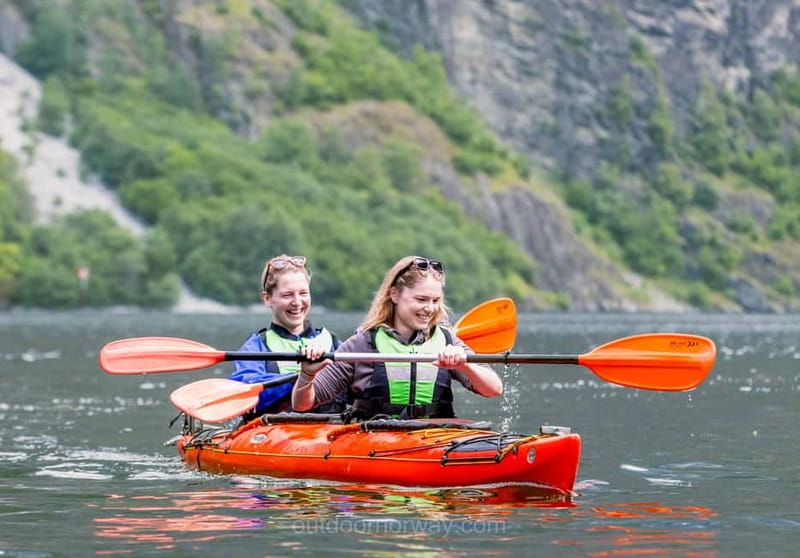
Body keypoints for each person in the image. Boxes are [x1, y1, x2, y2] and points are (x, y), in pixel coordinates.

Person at [292, 255, 503, 420]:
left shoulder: (447, 341)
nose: (429, 308)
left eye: (435, 300)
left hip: (434, 436)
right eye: (421, 299)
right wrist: (307, 375)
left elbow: (494, 389)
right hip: (375, 440)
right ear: (394, 295)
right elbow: (302, 405)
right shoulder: (363, 343)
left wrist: (464, 365)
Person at [230, 254, 346, 420]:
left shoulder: (333, 343)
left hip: (330, 434)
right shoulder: (256, 346)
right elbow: (245, 390)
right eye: (287, 295)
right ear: (268, 299)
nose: (297, 302)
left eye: (303, 293)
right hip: (274, 435)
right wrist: (303, 378)